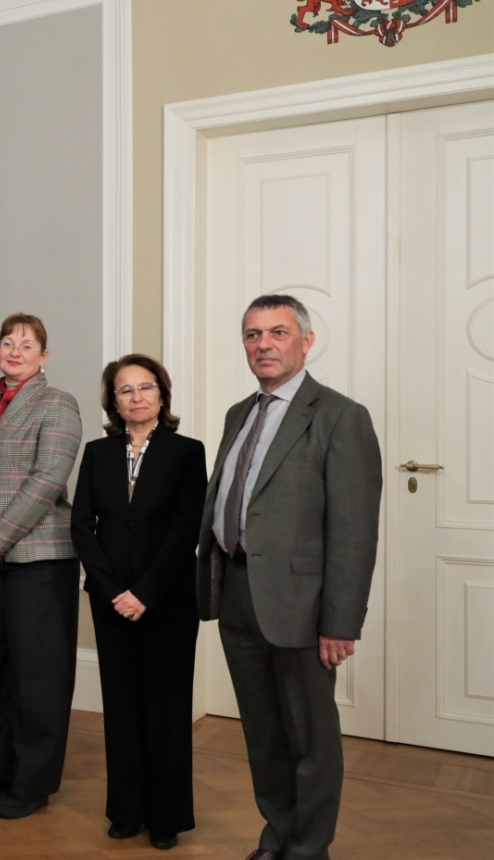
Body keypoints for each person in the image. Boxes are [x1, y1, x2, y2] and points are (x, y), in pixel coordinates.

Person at [198, 295, 381, 860]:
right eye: (253, 334)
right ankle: (276, 837)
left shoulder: (340, 416)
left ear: (306, 341)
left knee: (310, 739)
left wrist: (340, 622)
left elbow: (353, 532)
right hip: (237, 593)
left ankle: (308, 848)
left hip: (302, 606)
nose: (263, 345)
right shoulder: (238, 413)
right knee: (263, 733)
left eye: (278, 333)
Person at [70, 355, 206, 850]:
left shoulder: (188, 452)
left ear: (162, 395)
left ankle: (166, 816)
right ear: (113, 401)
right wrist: (112, 591)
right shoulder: (97, 453)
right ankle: (125, 810)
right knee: (121, 704)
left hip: (166, 599)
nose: (136, 397)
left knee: (166, 707)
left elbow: (186, 528)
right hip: (110, 600)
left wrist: (144, 592)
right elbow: (82, 526)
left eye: (145, 387)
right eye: (124, 390)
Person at [0, 312, 82, 820]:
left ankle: (33, 782)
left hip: (38, 559)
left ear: (43, 356)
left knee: (39, 675)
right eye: (8, 342)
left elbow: (48, 479)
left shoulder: (58, 404)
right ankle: (1, 769)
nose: (15, 351)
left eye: (27, 345)